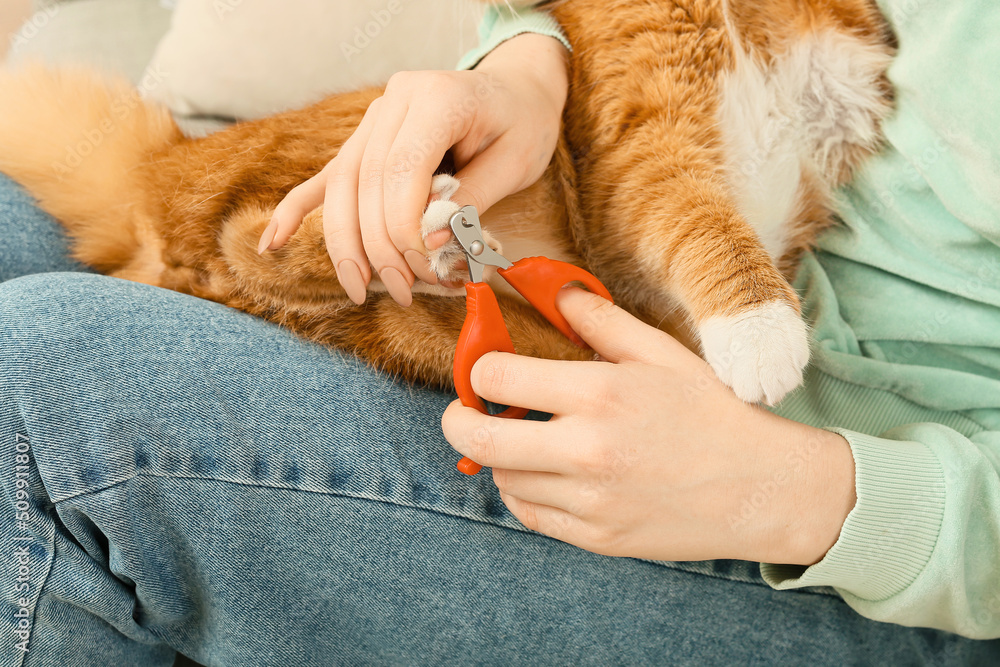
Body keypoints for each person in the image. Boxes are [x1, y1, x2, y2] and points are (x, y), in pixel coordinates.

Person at [1, 2, 998, 665]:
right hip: (655, 275)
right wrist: (529, 63)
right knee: (19, 223)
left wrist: (798, 495)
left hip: (865, 548)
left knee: (42, 382)